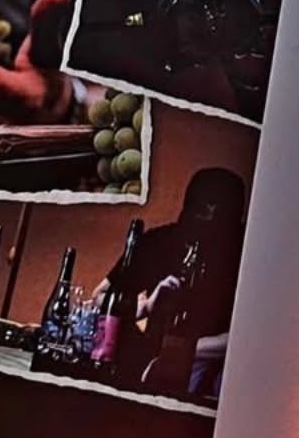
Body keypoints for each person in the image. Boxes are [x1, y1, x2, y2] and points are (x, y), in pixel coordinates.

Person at [92, 168, 248, 395]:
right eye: (201, 212)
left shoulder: (244, 256)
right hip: (150, 364)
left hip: (208, 368)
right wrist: (144, 306)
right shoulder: (157, 242)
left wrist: (181, 352)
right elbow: (99, 297)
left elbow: (251, 337)